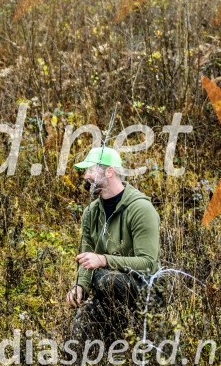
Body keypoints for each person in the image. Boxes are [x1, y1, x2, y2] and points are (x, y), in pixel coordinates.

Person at [65, 147, 160, 345]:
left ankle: (134, 332)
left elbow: (148, 264)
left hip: (144, 289)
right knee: (76, 338)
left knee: (106, 279)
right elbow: (86, 255)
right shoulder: (91, 212)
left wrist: (103, 260)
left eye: (90, 170)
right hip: (106, 288)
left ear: (109, 172)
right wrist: (80, 285)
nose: (86, 176)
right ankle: (110, 350)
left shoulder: (141, 209)